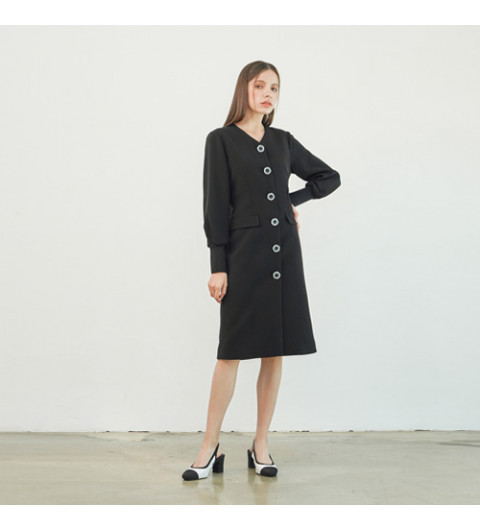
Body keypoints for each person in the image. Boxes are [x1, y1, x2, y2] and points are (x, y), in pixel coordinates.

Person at [182, 60, 341, 481]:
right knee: (230, 352)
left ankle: (261, 444)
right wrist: (218, 266)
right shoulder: (221, 140)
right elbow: (215, 206)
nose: (268, 93)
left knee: (274, 350)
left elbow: (329, 177)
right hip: (243, 256)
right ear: (244, 90)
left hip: (284, 255)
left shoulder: (283, 140)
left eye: (274, 87)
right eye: (260, 86)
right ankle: (209, 446)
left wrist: (292, 200)